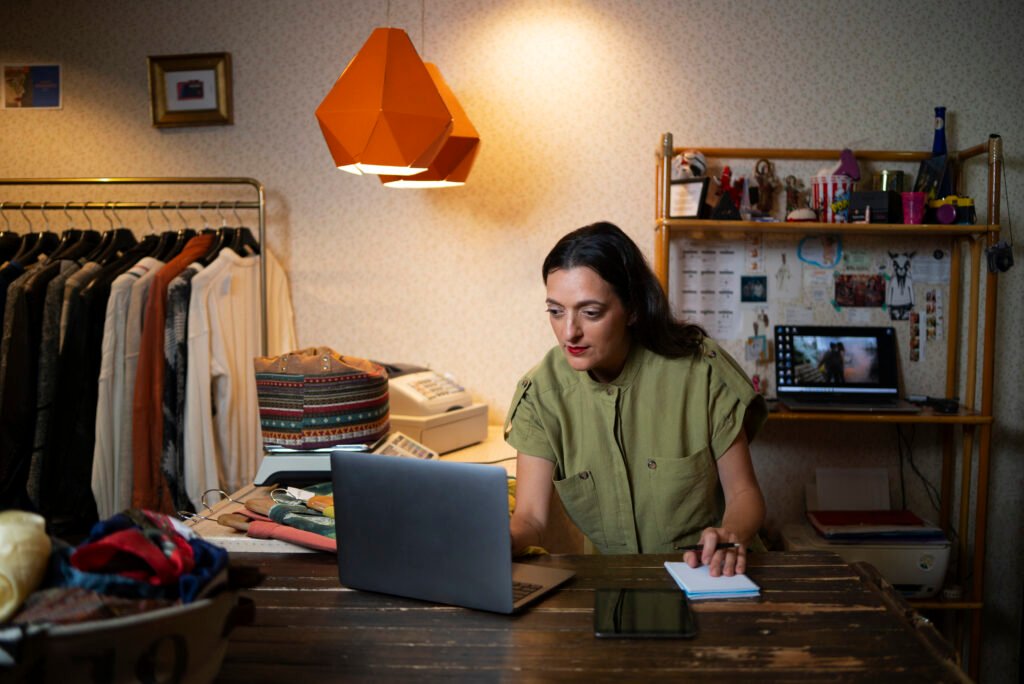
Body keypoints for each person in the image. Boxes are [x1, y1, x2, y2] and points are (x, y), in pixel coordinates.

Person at [504, 222, 767, 577]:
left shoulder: (701, 373)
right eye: (556, 311)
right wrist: (500, 540)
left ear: (632, 308)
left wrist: (729, 535)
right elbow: (531, 518)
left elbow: (744, 495)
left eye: (590, 312)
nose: (569, 332)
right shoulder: (541, 394)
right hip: (616, 585)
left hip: (711, 575)